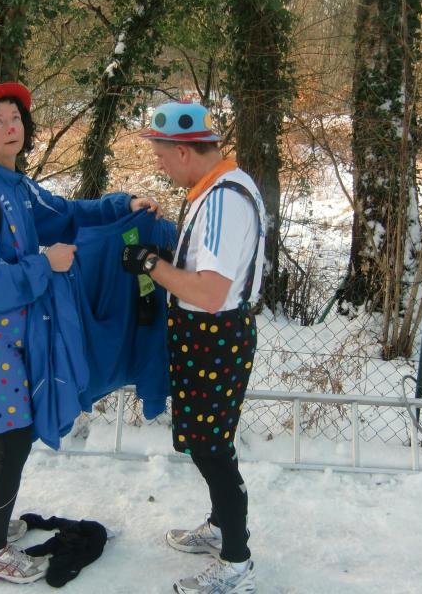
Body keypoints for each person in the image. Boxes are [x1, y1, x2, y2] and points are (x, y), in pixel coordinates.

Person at [0, 82, 160, 584]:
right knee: (12, 439)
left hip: (16, 335)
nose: (10, 127)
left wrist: (121, 205)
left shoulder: (19, 189)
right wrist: (45, 264)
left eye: (15, 117)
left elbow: (65, 214)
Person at [122, 100, 265, 594]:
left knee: (211, 450)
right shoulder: (222, 188)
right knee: (211, 441)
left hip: (213, 336)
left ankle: (236, 562)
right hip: (210, 336)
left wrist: (150, 265)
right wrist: (167, 256)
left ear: (183, 152)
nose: (160, 165)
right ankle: (222, 527)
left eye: (161, 155)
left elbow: (209, 292)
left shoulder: (223, 201)